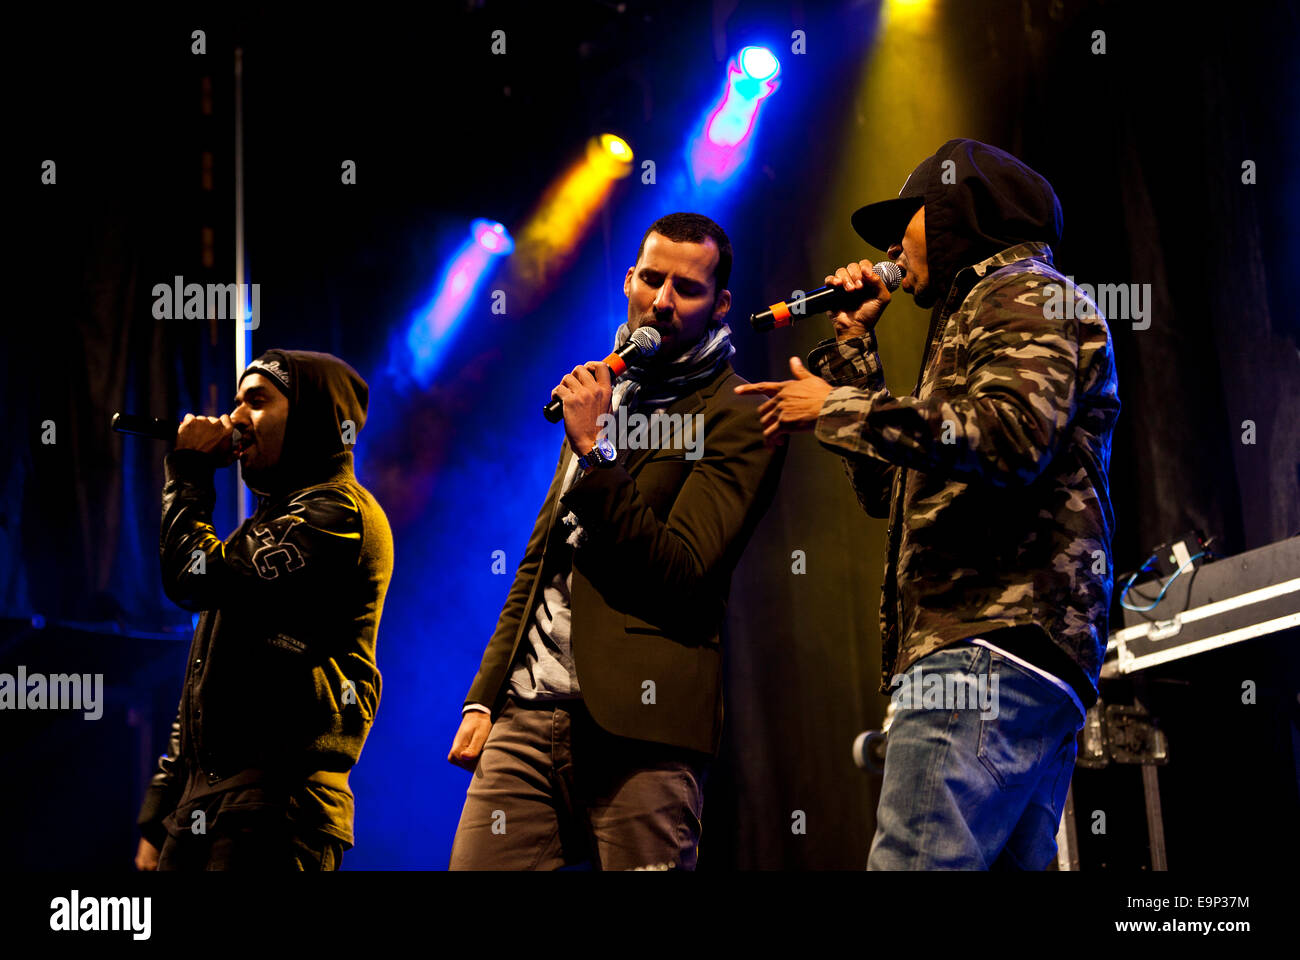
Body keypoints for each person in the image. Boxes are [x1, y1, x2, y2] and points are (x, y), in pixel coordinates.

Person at [736, 139, 1120, 869]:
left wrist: (838, 407)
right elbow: (894, 489)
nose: (887, 246)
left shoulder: (1023, 291)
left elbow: (1011, 438)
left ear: (955, 214)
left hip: (989, 637)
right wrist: (853, 345)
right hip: (1005, 647)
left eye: (905, 219)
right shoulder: (977, 313)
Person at [447, 212, 786, 870]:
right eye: (652, 279)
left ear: (718, 305)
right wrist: (486, 694)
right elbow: (544, 560)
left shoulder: (738, 411)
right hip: (527, 713)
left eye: (685, 290)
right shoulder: (606, 393)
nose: (662, 300)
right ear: (629, 280)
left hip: (643, 729)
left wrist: (599, 453)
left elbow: (680, 572)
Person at [134, 350, 393, 871]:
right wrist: (161, 814)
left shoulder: (337, 511)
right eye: (234, 403)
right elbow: (206, 683)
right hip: (206, 808)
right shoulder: (256, 535)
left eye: (256, 401)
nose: (233, 419)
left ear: (312, 415)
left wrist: (188, 470)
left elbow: (190, 578)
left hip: (276, 805)